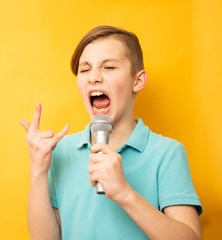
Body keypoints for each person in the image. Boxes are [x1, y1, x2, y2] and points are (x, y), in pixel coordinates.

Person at [20, 25, 202, 240]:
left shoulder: (167, 153)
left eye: (108, 67)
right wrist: (38, 171)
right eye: (85, 69)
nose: (93, 77)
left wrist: (124, 193)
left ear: (138, 80)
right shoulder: (60, 152)